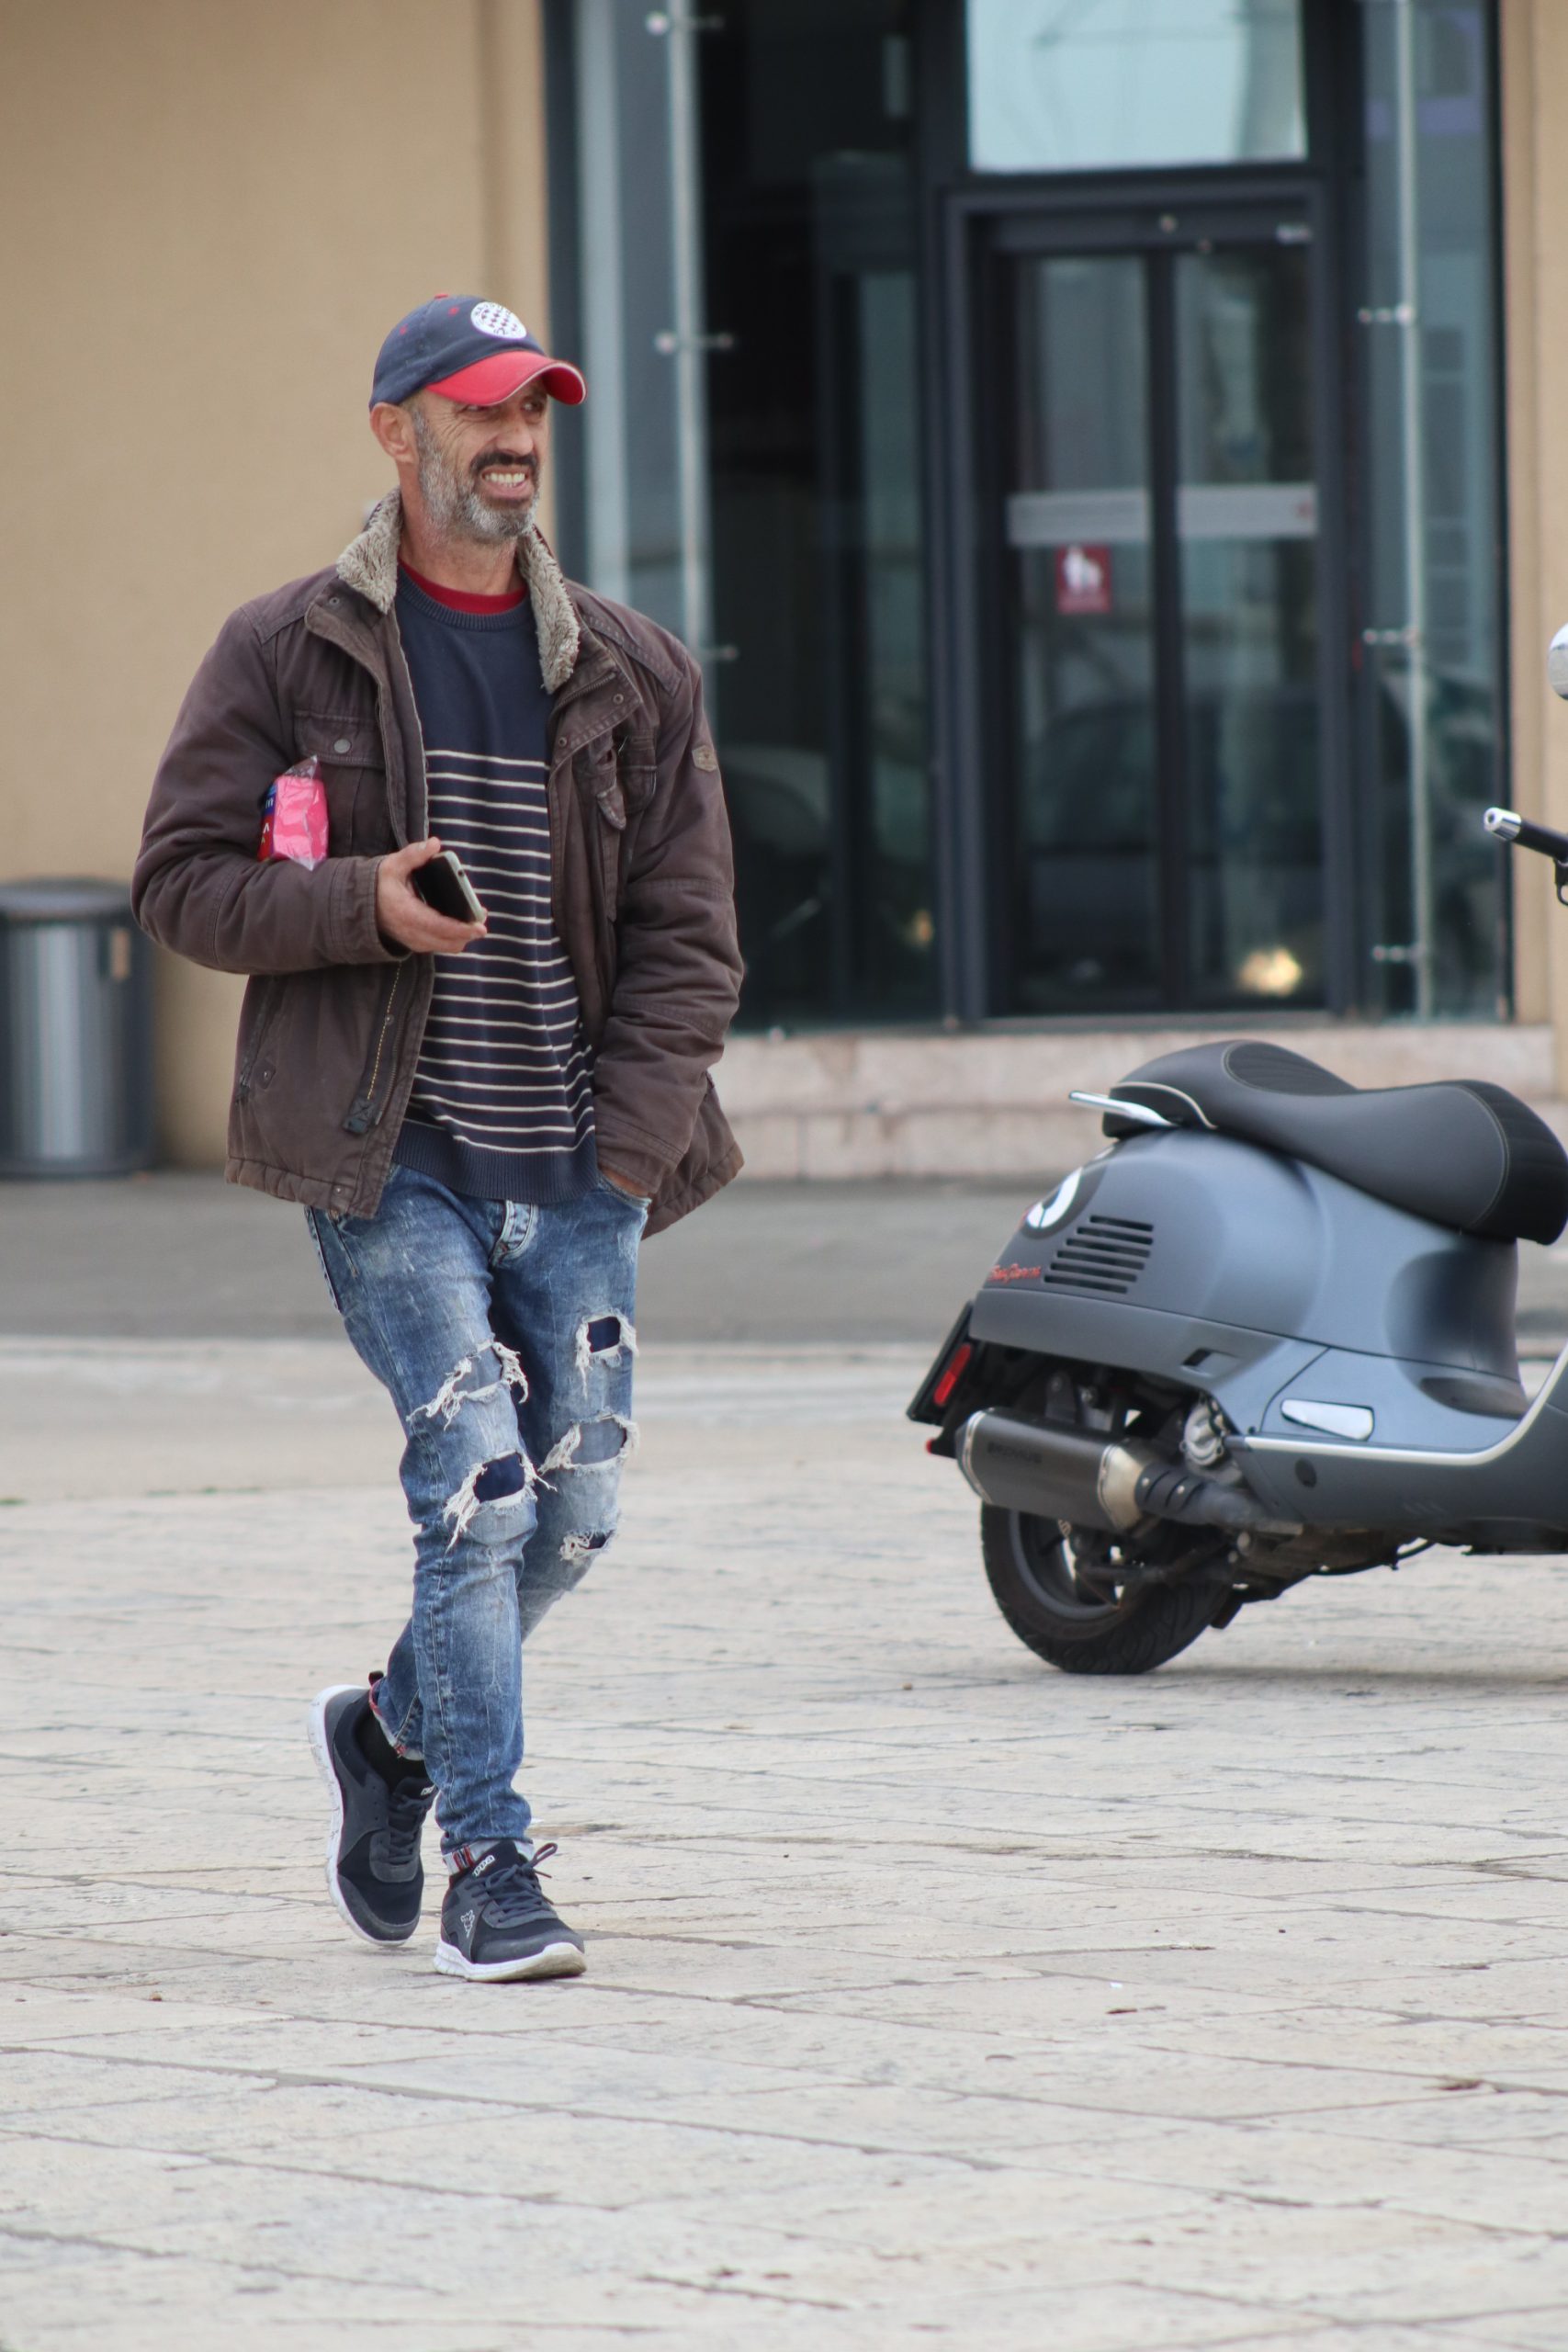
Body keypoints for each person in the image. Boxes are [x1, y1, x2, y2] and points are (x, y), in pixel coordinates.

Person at [135, 296, 743, 1983]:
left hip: (582, 1167)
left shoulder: (632, 666)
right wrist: (361, 904)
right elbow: (181, 881)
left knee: (576, 1510)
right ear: (396, 431)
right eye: (480, 410)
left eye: (533, 408)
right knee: (476, 1492)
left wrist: (628, 1150)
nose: (514, 438)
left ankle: (390, 1731)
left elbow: (694, 937)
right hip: (388, 1156)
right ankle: (491, 1860)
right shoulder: (289, 650)